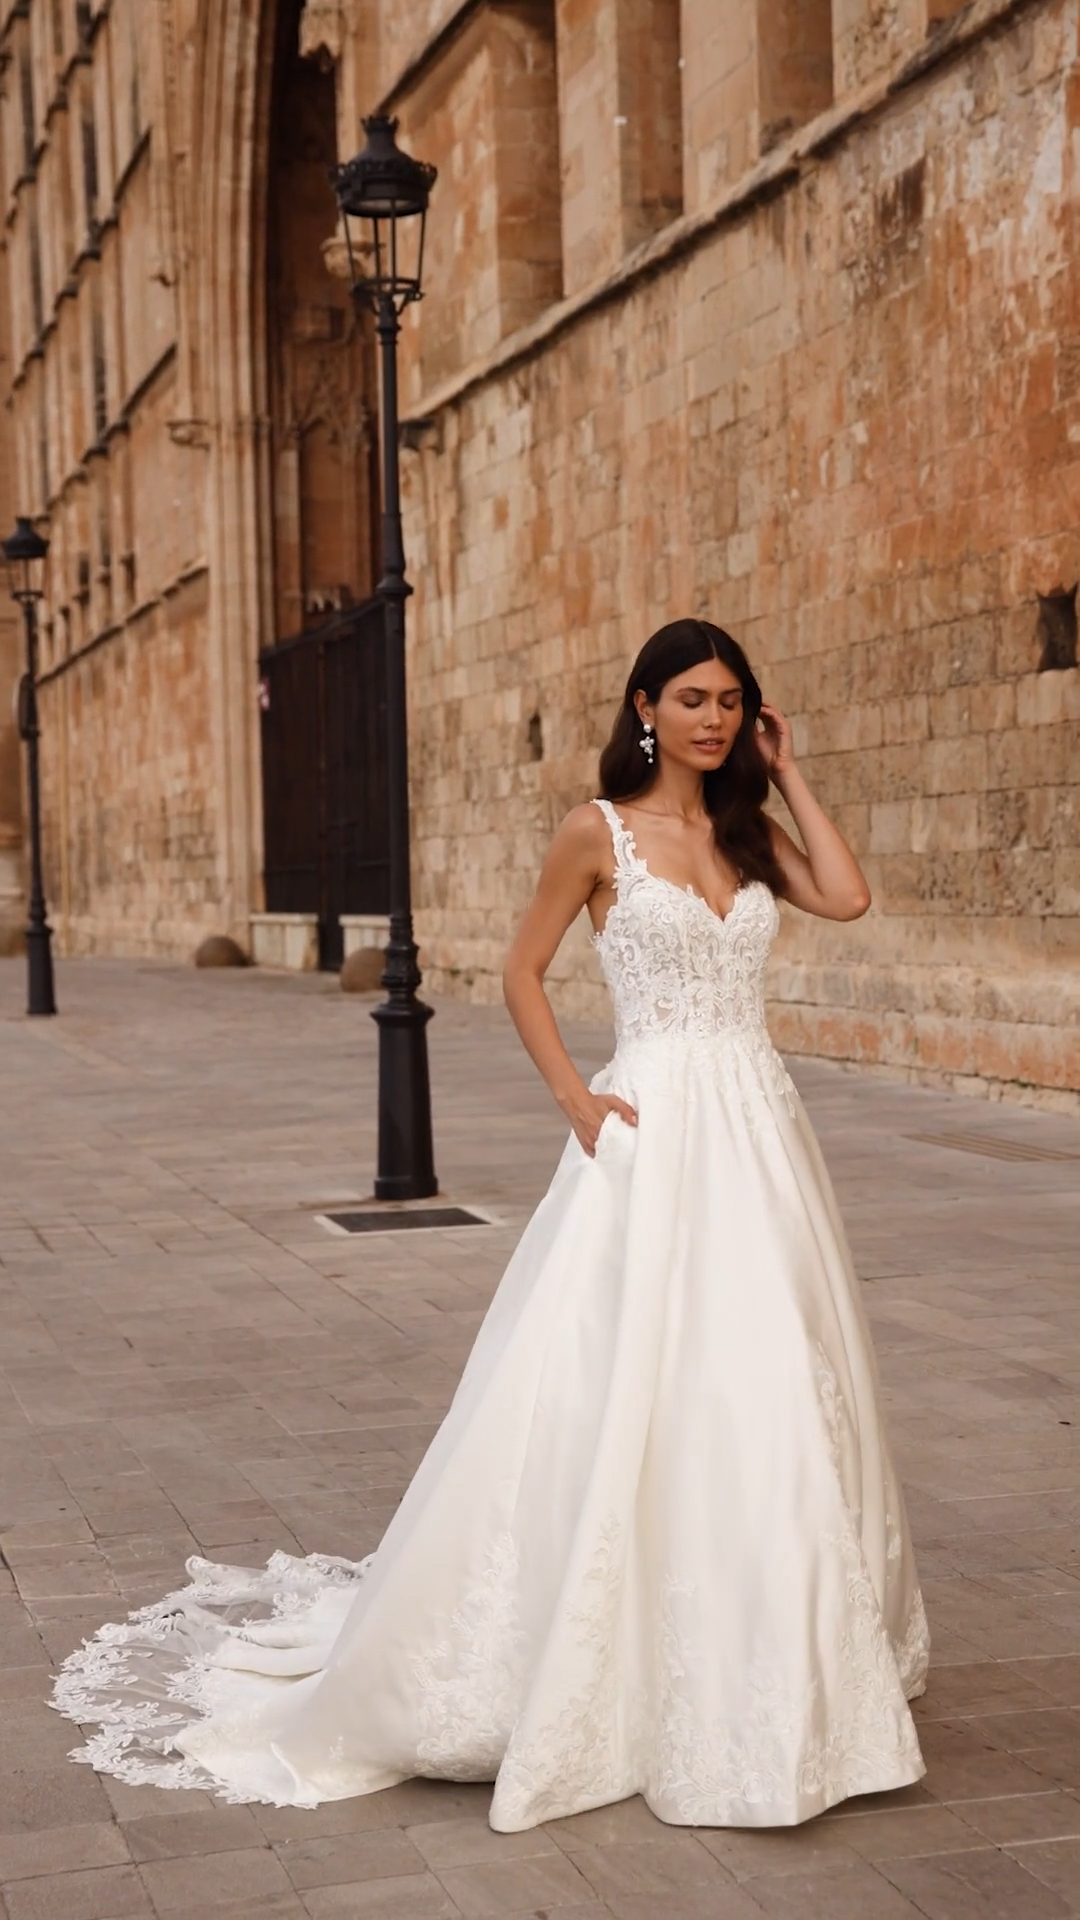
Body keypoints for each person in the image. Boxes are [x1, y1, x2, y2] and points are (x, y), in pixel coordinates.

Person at [52, 618, 928, 1830]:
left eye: (731, 701)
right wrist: (578, 1101)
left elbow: (850, 894)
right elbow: (522, 971)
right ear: (644, 709)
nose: (714, 718)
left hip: (761, 1133)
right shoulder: (598, 831)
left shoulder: (745, 830)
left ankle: (772, 1641)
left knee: (768, 1379)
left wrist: (789, 772)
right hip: (656, 1126)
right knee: (632, 1384)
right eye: (692, 699)